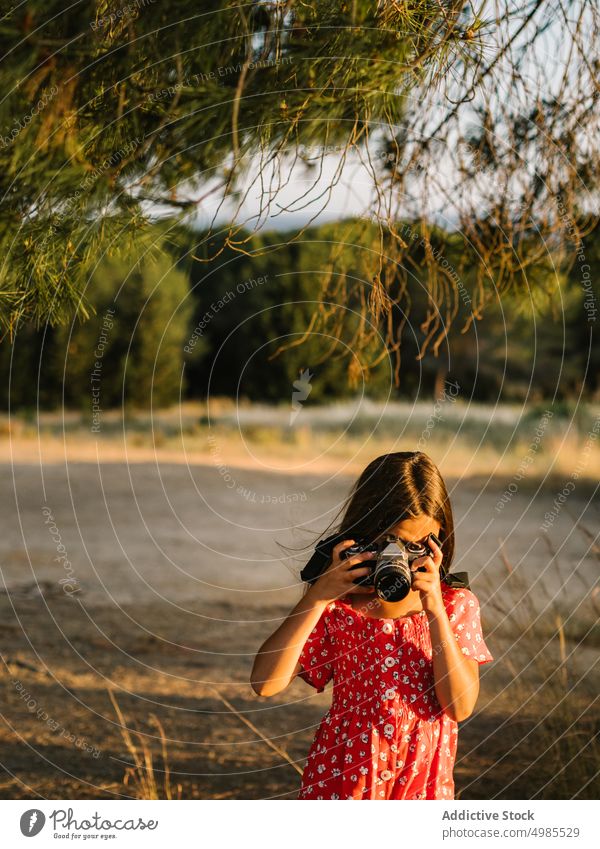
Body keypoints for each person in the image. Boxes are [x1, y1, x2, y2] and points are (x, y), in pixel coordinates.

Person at [251, 451, 493, 799]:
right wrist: (317, 597)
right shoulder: (336, 605)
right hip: (342, 781)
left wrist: (435, 611)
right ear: (362, 533)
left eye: (416, 545)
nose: (398, 557)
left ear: (439, 540)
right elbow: (265, 683)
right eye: (387, 543)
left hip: (421, 786)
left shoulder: (454, 605)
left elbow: (460, 706)